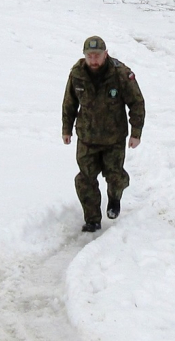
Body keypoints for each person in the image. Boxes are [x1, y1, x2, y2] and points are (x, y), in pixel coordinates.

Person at [62, 36, 146, 232]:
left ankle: (114, 199)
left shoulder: (121, 73)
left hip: (113, 138)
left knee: (115, 176)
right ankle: (92, 219)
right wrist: (66, 129)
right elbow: (69, 103)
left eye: (97, 56)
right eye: (89, 56)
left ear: (105, 54)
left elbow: (136, 103)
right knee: (85, 179)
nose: (93, 60)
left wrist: (136, 132)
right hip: (87, 137)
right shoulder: (77, 74)